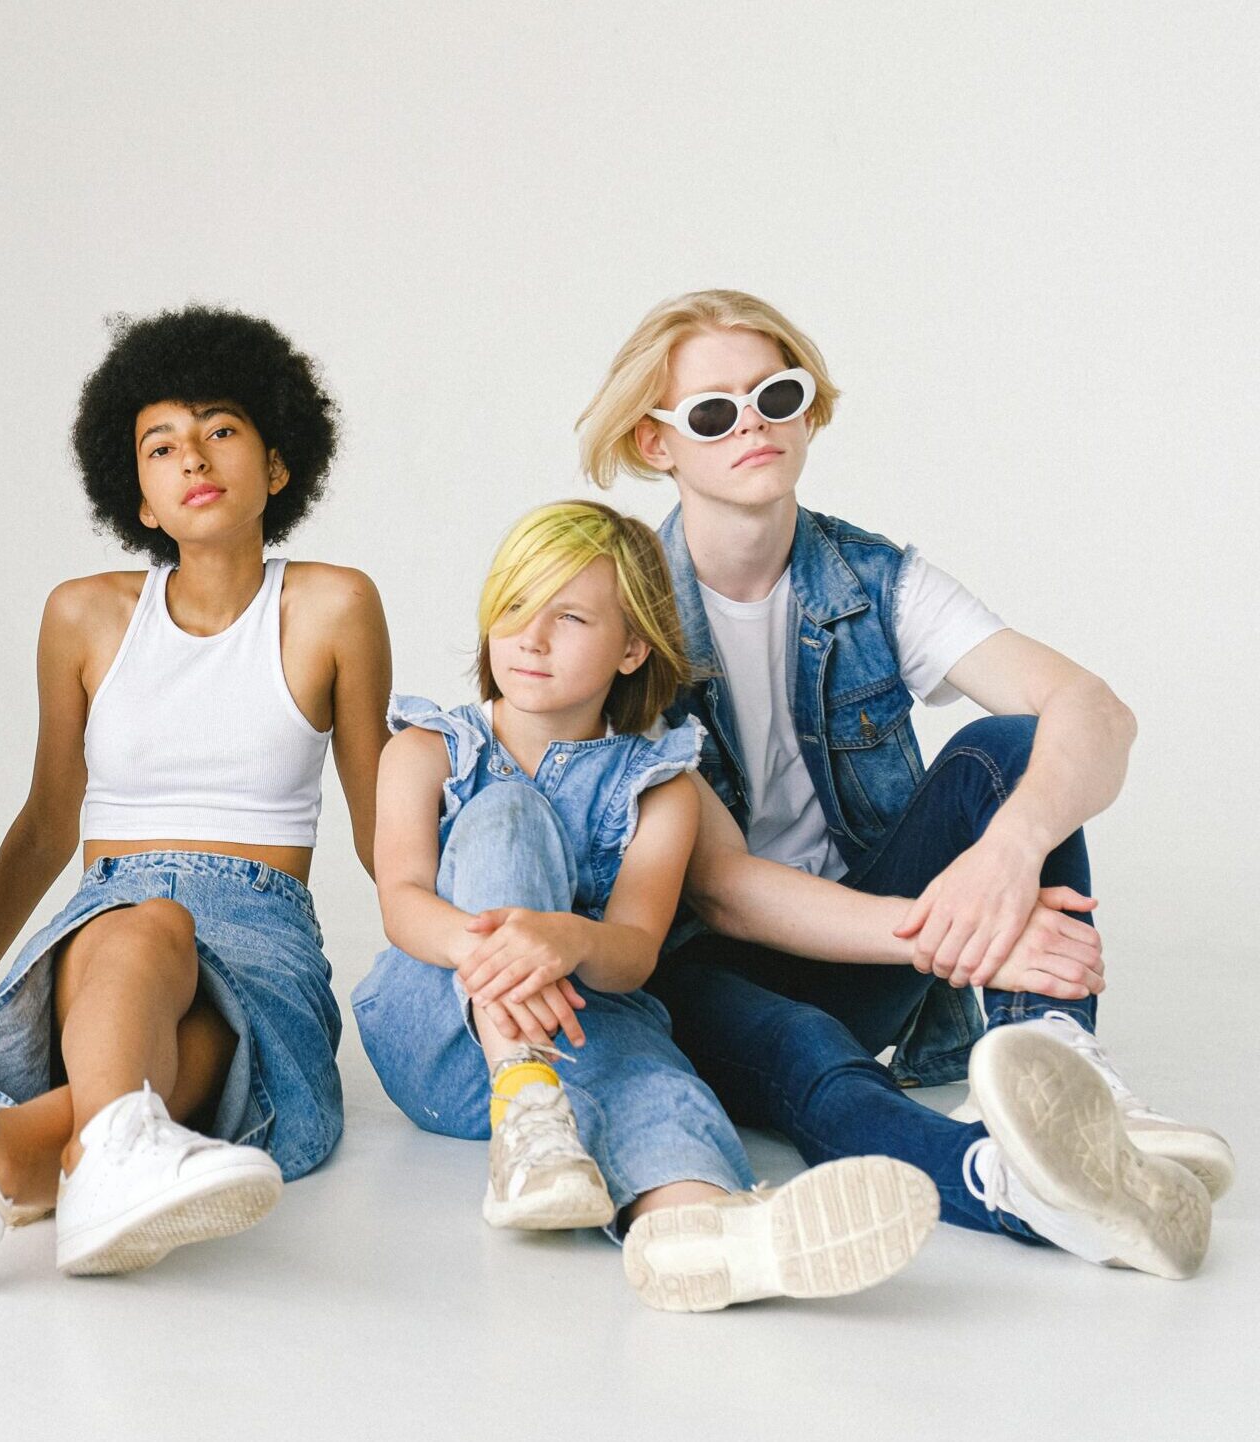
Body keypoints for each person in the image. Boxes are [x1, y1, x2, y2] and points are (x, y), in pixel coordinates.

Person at [574, 288, 1223, 1277]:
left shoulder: (872, 578)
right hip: (708, 968)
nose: (751, 422)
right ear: (658, 445)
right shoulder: (630, 622)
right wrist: (948, 926)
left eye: (775, 394)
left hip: (877, 946)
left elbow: (1096, 710)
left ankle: (1060, 1069)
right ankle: (1032, 1192)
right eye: (713, 410)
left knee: (1013, 742)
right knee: (814, 1068)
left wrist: (1003, 860)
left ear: (806, 410)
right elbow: (719, 888)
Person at [0, 305, 390, 1288]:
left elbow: (379, 817)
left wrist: (460, 961)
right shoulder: (85, 615)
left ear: (277, 463)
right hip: (103, 917)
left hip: (259, 923)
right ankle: (92, 1163)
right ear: (137, 495)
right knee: (138, 926)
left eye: (221, 427)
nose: (194, 455)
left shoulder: (333, 604)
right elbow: (50, 820)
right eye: (161, 443)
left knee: (166, 967)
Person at [354, 499, 937, 1311]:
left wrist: (568, 939)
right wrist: (498, 945)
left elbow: (632, 950)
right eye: (515, 606)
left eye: (571, 617)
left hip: (588, 1018)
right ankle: (526, 1102)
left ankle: (703, 1230)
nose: (532, 635)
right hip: (442, 1030)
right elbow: (403, 902)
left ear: (632, 648)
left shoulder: (660, 785)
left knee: (655, 1084)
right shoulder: (428, 748)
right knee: (506, 813)